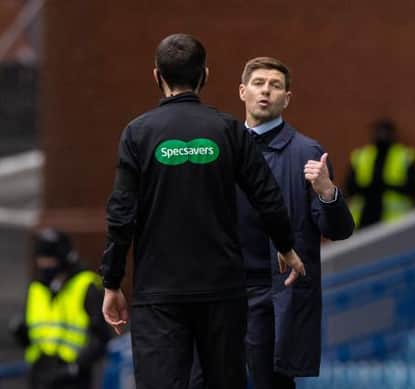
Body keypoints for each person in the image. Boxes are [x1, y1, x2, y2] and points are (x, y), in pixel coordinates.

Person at [99, 34, 305, 389]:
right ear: (204, 76)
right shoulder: (227, 130)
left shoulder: (138, 133)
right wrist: (286, 246)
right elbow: (267, 196)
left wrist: (112, 281)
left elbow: (121, 214)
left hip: (159, 292)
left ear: (156, 76)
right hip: (222, 290)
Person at [189, 57, 354, 389]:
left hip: (274, 292)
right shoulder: (218, 148)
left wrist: (327, 191)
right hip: (220, 290)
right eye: (258, 83)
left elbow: (338, 230)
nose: (266, 91)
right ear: (242, 92)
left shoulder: (307, 152)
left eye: (275, 86)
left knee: (271, 383)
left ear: (287, 98)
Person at [10, 228, 111, 389]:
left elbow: (101, 337)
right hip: (40, 373)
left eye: (49, 258)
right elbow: (34, 334)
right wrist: (20, 332)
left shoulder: (86, 286)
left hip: (72, 377)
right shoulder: (37, 288)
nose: (44, 263)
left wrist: (77, 365)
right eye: (41, 258)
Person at [344, 118, 415, 229]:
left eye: (385, 132)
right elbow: (349, 188)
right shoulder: (361, 156)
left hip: (395, 222)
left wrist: (386, 186)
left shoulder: (404, 156)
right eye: (379, 132)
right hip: (364, 220)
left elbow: (414, 187)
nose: (382, 136)